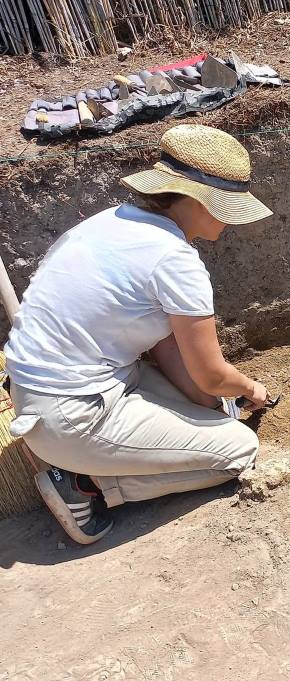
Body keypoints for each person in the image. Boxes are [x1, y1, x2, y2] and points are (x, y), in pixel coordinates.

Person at [4, 124, 274, 544]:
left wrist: (209, 404)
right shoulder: (175, 260)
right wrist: (250, 388)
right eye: (227, 205)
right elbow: (211, 374)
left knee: (210, 412)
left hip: (56, 389)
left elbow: (167, 347)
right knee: (239, 449)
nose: (229, 218)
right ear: (198, 201)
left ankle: (87, 459)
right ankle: (87, 485)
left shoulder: (110, 222)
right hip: (73, 415)